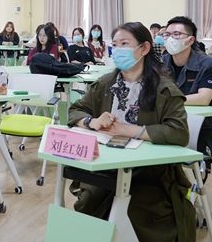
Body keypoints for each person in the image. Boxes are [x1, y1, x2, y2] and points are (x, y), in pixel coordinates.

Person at [68, 22, 194, 242]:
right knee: (88, 205)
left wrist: (130, 130)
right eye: (115, 45)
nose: (118, 50)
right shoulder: (105, 84)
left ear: (144, 48)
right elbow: (75, 111)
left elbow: (179, 132)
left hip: (149, 174)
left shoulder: (164, 89)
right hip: (106, 168)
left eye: (125, 44)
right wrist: (92, 121)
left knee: (138, 214)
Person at [161, 16, 212, 166]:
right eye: (167, 35)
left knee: (190, 164)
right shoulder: (161, 62)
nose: (170, 38)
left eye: (176, 34)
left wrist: (167, 101)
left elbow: (203, 98)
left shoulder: (208, 64)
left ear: (190, 40)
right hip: (166, 122)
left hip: (200, 126)